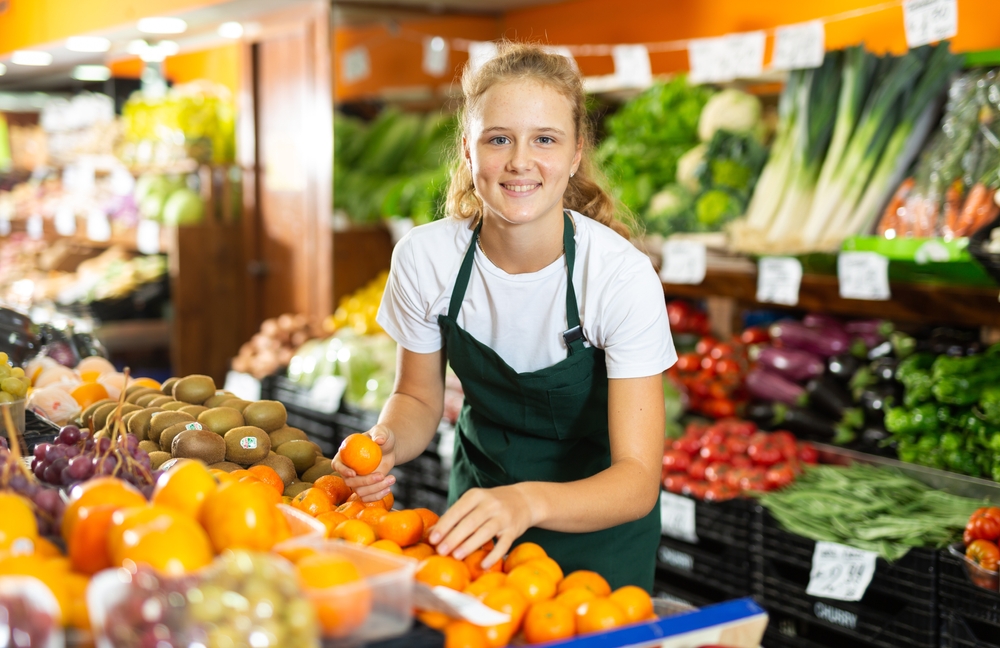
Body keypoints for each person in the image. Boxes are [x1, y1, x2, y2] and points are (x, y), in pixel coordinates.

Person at [333, 41, 676, 591]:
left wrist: (526, 502)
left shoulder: (618, 277)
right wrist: (389, 440)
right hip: (479, 519)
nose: (520, 161)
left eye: (545, 139)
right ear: (468, 149)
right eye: (499, 139)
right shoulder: (426, 259)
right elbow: (418, 399)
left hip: (599, 536)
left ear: (575, 152)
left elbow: (637, 479)